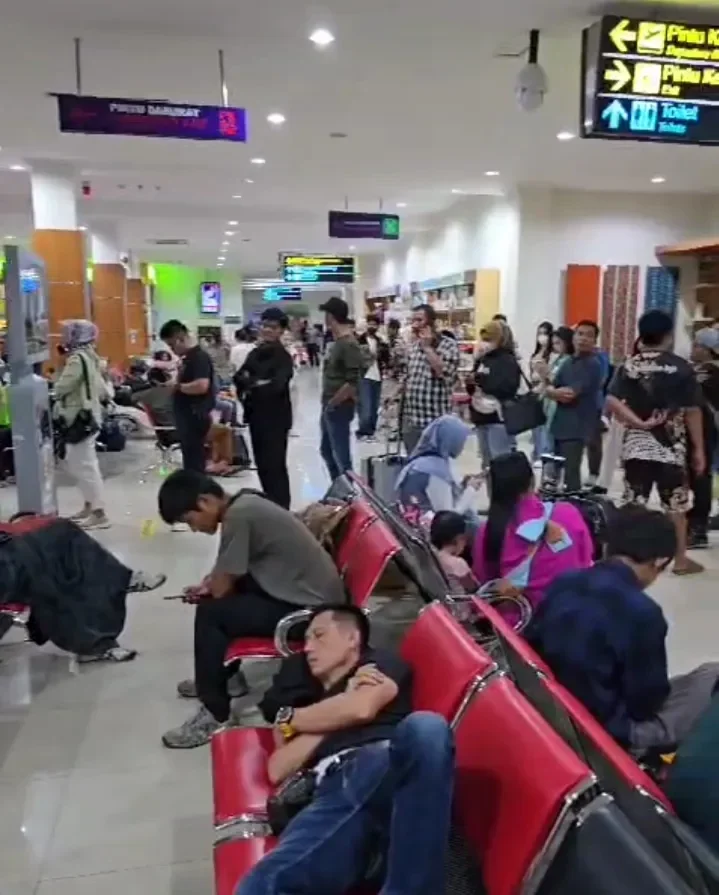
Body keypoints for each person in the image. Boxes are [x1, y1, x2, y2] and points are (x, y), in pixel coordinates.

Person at [237, 604, 454, 895]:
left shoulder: (377, 665)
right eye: (306, 640)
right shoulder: (315, 696)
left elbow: (363, 708)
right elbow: (279, 767)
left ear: (352, 638)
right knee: (262, 884)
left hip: (388, 763)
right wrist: (341, 706)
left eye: (319, 635)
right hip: (333, 792)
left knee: (427, 728)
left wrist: (293, 720)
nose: (309, 647)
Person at [158, 472, 346, 748]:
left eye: (190, 520)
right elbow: (228, 570)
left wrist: (210, 589)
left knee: (212, 613)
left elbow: (222, 587)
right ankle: (227, 678)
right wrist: (209, 585)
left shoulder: (240, 516)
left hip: (313, 615)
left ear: (205, 501)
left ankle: (215, 712)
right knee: (222, 601)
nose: (194, 528)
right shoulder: (246, 501)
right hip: (310, 597)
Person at [526, 506, 719, 753]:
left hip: (551, 706)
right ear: (659, 561)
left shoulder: (565, 581)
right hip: (607, 732)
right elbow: (646, 704)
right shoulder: (643, 613)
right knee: (711, 677)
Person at [606, 310, 705, 575]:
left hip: (635, 446)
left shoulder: (629, 364)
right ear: (668, 336)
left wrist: (637, 423)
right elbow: (693, 409)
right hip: (671, 447)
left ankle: (626, 557)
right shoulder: (681, 366)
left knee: (634, 501)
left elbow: (612, 400)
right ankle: (681, 561)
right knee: (675, 506)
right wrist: (699, 450)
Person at [472, 452, 593, 610]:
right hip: (566, 618)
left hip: (512, 626)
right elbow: (585, 561)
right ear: (532, 481)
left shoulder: (487, 533)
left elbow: (485, 582)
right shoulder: (567, 514)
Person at [53, 319, 110, 530]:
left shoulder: (76, 359)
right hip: (90, 416)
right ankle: (89, 505)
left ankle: (99, 513)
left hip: (78, 418)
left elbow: (61, 388)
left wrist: (60, 366)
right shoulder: (91, 357)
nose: (63, 338)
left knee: (83, 465)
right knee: (81, 462)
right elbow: (104, 390)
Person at [235, 307, 294, 509]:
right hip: (256, 416)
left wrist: (252, 383)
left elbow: (277, 386)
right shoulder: (255, 353)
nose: (267, 330)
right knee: (262, 466)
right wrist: (255, 383)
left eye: (273, 327)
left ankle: (281, 510)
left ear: (281, 330)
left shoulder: (282, 357)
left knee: (274, 466)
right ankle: (271, 506)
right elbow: (239, 378)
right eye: (265, 326)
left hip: (275, 420)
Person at [544, 320, 603, 493]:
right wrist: (551, 390)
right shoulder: (568, 362)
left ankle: (573, 512)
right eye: (580, 334)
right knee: (554, 476)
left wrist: (551, 392)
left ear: (594, 341)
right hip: (559, 424)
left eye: (589, 335)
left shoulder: (593, 364)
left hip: (577, 427)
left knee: (571, 475)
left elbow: (568, 394)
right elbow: (551, 385)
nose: (583, 339)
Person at [402, 305, 461, 454]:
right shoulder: (414, 346)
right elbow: (411, 375)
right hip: (412, 420)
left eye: (419, 320)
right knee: (414, 465)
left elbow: (444, 372)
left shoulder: (449, 345)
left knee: (433, 466)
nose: (415, 325)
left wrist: (428, 348)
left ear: (431, 323)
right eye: (413, 320)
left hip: (435, 422)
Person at [395, 415, 481, 516]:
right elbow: (448, 518)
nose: (462, 446)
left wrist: (462, 487)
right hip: (425, 527)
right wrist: (470, 490)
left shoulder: (419, 462)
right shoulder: (436, 470)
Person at [159, 319, 215, 473]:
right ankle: (194, 490)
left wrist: (177, 387)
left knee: (195, 461)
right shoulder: (187, 359)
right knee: (190, 460)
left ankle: (198, 492)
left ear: (180, 339)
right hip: (186, 416)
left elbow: (202, 385)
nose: (172, 350)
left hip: (194, 416)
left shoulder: (199, 358)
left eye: (172, 345)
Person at [318, 297, 363, 480]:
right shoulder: (338, 343)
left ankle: (350, 495)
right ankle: (339, 489)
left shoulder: (349, 344)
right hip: (330, 404)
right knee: (327, 450)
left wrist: (333, 403)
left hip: (339, 406)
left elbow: (352, 383)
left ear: (331, 317)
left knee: (341, 456)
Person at [467, 320, 520, 470]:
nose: (484, 343)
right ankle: (492, 492)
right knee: (486, 464)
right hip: (480, 416)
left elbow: (507, 388)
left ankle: (504, 493)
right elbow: (473, 388)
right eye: (483, 339)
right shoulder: (482, 359)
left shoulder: (508, 361)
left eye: (489, 339)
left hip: (499, 417)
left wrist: (481, 381)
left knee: (501, 461)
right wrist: (470, 382)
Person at [687, 327, 719, 548]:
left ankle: (698, 529)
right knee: (697, 476)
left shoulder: (709, 372)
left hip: (705, 431)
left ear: (708, 350)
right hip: (699, 431)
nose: (693, 348)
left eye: (698, 345)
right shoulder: (699, 370)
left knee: (700, 477)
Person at [536, 325, 574, 453]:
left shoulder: (570, 361)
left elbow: (561, 381)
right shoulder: (557, 359)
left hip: (559, 406)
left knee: (554, 445)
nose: (555, 346)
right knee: (546, 442)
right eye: (554, 343)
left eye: (558, 343)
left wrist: (547, 374)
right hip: (549, 405)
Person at [430, 511, 477, 592]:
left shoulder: (430, 558)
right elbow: (473, 587)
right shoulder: (457, 563)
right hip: (460, 602)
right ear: (459, 538)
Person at [356, 314, 386, 441]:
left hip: (377, 376)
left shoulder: (380, 341)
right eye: (370, 323)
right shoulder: (359, 340)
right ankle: (363, 431)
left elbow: (386, 358)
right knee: (366, 406)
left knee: (374, 406)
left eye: (375, 324)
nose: (372, 326)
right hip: (364, 376)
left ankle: (371, 431)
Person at [529, 322, 555, 464]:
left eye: (545, 333)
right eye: (539, 333)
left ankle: (543, 453)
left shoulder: (551, 354)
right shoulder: (536, 353)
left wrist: (542, 387)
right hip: (534, 389)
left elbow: (549, 375)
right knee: (535, 426)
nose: (542, 337)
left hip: (545, 391)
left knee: (544, 426)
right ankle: (536, 452)